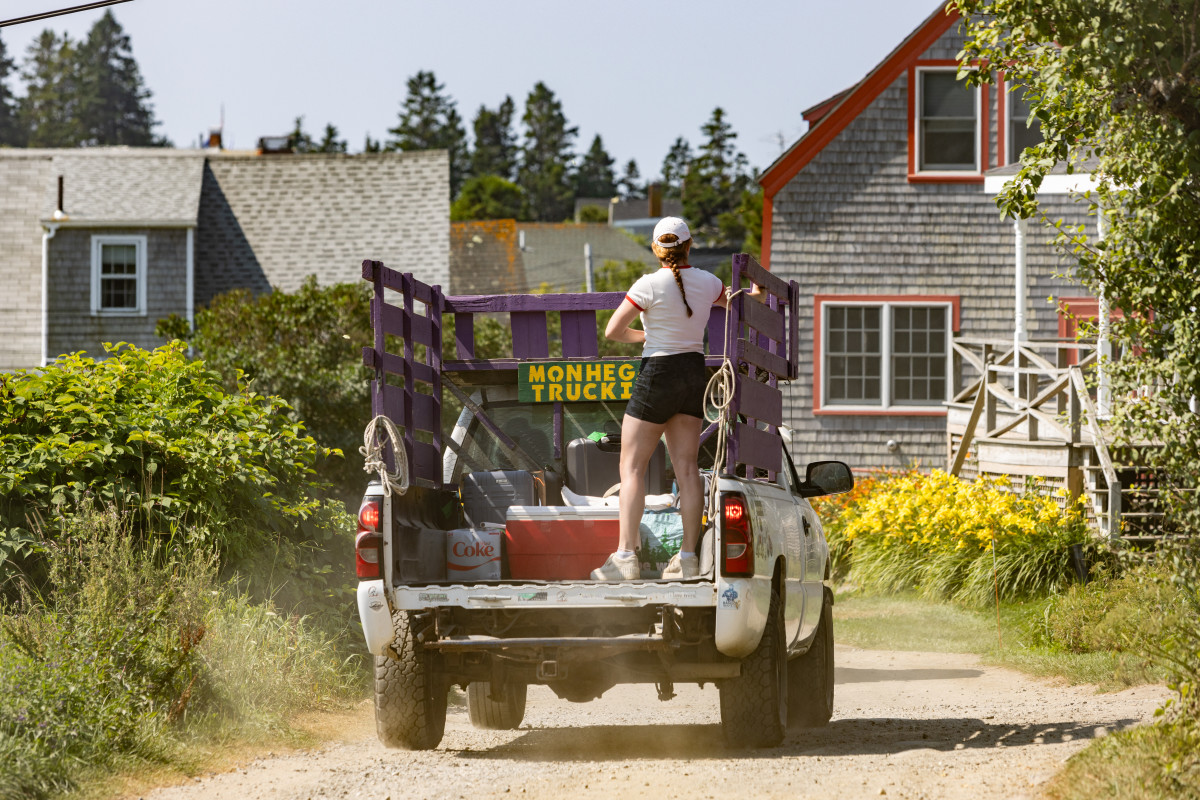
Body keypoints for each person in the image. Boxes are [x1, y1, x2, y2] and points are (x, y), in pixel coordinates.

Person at [591, 217, 726, 581]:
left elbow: (613, 331)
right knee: (686, 469)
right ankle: (688, 559)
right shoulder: (710, 282)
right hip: (693, 373)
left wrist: (647, 336)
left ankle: (625, 559)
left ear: (656, 249)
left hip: (658, 372)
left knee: (632, 468)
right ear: (690, 244)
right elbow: (735, 302)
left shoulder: (647, 284)